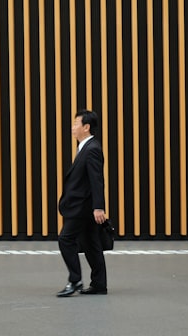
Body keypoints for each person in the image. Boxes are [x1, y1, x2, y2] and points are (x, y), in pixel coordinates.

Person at [55, 109, 108, 297]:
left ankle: (75, 280)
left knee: (65, 239)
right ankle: (99, 284)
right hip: (85, 207)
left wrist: (98, 207)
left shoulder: (91, 149)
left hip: (82, 207)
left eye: (76, 123)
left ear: (86, 127)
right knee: (91, 243)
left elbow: (97, 180)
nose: (72, 127)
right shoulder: (86, 147)